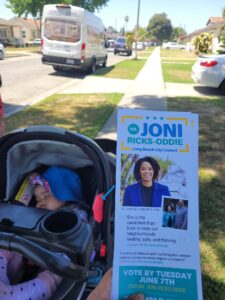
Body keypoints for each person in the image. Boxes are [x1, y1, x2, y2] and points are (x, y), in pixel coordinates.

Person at [0, 166, 86, 300]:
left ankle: (10, 295)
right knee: (5, 247)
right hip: (26, 255)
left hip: (57, 264)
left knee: (54, 275)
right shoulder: (37, 215)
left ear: (65, 193)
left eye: (46, 195)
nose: (40, 203)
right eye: (37, 199)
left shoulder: (77, 215)